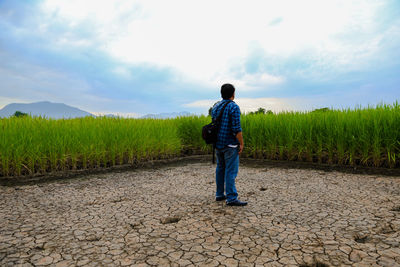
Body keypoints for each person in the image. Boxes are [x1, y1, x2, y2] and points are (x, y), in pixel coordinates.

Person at [211, 83, 247, 206]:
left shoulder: (216, 106)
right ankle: (231, 198)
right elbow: (237, 129)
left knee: (220, 168)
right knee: (231, 171)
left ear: (222, 93)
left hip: (218, 144)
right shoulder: (234, 107)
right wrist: (241, 143)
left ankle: (219, 194)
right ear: (233, 93)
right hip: (230, 145)